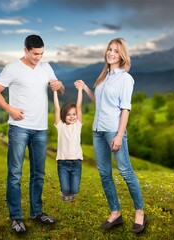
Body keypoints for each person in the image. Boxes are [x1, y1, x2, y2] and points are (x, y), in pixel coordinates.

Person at [0, 34, 65, 234]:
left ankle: (36, 212)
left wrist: (59, 86)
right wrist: (10, 109)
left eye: (41, 53)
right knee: (15, 174)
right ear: (25, 50)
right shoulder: (12, 69)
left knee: (38, 174)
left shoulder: (46, 67)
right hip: (19, 127)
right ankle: (16, 217)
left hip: (41, 128)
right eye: (35, 54)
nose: (39, 57)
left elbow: (60, 88)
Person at [74, 38, 147, 233]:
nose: (111, 53)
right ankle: (115, 213)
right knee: (105, 173)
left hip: (114, 131)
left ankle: (140, 212)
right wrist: (86, 88)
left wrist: (119, 135)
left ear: (122, 54)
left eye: (115, 50)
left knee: (125, 171)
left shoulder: (125, 78)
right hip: (98, 131)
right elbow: (99, 102)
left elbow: (125, 109)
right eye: (109, 49)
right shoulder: (104, 76)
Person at [53, 84, 83, 202]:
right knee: (65, 189)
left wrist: (80, 90)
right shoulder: (60, 126)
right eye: (68, 114)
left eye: (74, 114)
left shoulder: (78, 125)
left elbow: (79, 106)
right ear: (63, 116)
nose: (71, 117)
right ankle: (65, 194)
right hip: (63, 163)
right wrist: (55, 92)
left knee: (74, 189)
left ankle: (70, 195)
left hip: (76, 162)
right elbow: (56, 108)